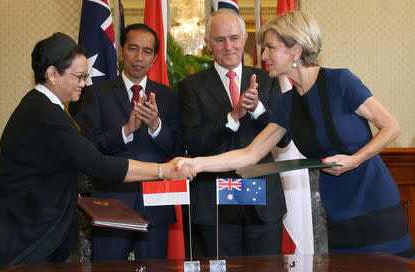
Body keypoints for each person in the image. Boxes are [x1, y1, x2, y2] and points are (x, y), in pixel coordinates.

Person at [175, 11, 414, 258]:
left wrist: (354, 159)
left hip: (373, 198)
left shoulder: (341, 81)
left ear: (296, 50)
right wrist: (195, 163)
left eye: (269, 47)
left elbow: (391, 127)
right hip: (336, 206)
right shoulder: (288, 102)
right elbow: (250, 154)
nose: (264, 56)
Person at [0, 32, 195, 272]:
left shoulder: (42, 107)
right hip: (21, 234)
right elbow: (96, 162)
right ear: (52, 74)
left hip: (26, 228)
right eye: (79, 77)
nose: (83, 83)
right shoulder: (46, 114)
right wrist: (163, 170)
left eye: (86, 76)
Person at [178, 9, 290, 257]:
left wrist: (257, 108)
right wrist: (233, 116)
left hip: (262, 201)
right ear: (208, 44)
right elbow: (193, 143)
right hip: (214, 203)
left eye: (234, 38)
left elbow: (284, 138)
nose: (228, 46)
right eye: (220, 40)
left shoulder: (268, 79)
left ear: (244, 39)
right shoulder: (190, 86)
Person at [78, 24, 183, 261]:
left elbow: (178, 148)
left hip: (156, 204)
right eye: (133, 49)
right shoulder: (97, 93)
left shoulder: (168, 96)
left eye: (147, 51)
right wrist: (125, 131)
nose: (139, 57)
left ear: (155, 57)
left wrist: (156, 126)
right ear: (120, 51)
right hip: (111, 201)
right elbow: (88, 147)